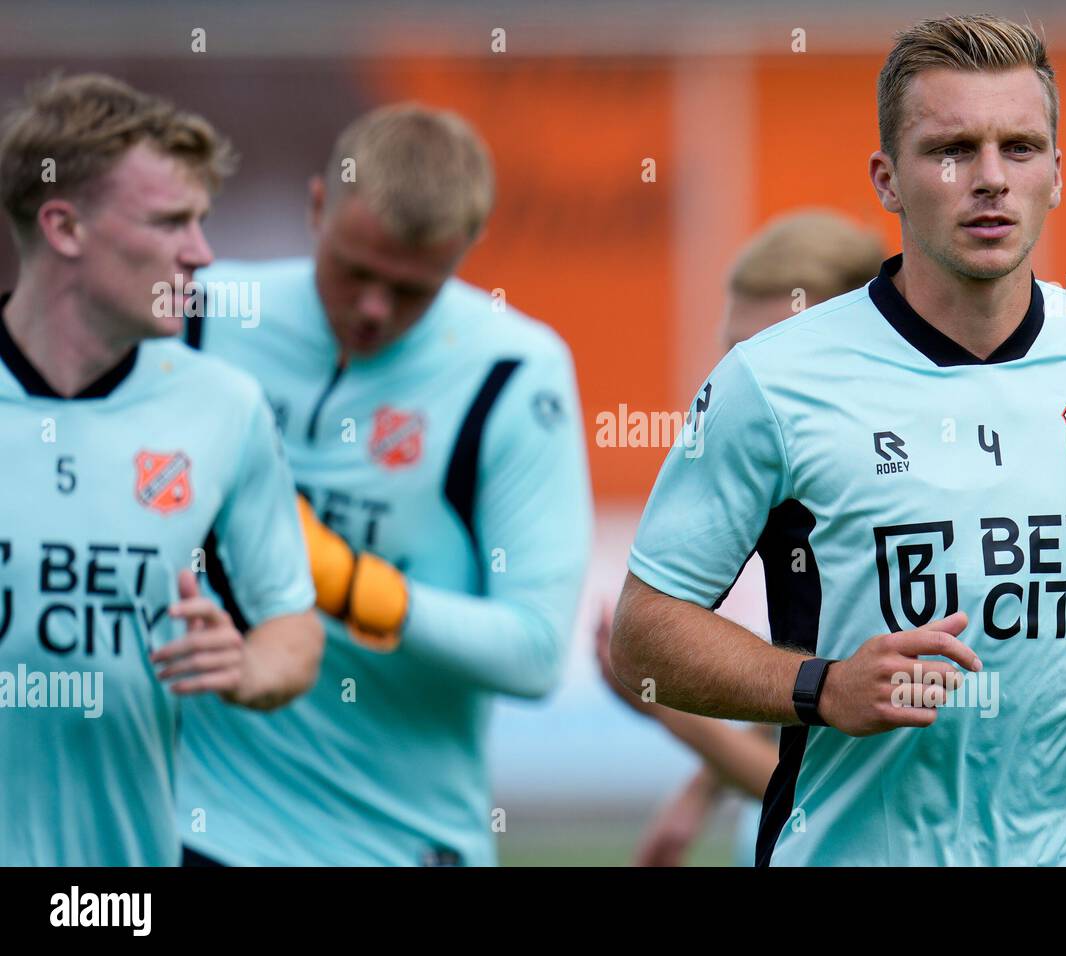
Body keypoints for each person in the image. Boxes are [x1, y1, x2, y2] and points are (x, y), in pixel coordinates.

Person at [611, 14, 1066, 866]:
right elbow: (642, 634)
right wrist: (824, 685)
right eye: (952, 149)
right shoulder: (769, 382)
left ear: (1057, 173)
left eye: (1020, 148)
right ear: (886, 177)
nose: (990, 178)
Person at [177, 103, 593, 866]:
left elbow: (535, 652)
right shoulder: (205, 313)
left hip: (396, 840)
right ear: (315, 208)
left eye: (411, 290)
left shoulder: (514, 373)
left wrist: (348, 584)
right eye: (355, 272)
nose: (373, 309)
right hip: (198, 826)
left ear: (467, 249)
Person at [0, 73, 323, 866]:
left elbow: (295, 626)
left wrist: (246, 666)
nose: (201, 254)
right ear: (64, 226)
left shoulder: (222, 408)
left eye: (202, 221)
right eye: (171, 222)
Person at [593, 209, 884, 865]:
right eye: (733, 351)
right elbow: (808, 684)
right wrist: (700, 792)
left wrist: (674, 711)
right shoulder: (791, 494)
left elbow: (838, 791)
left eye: (773, 351)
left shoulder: (894, 512)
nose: (743, 383)